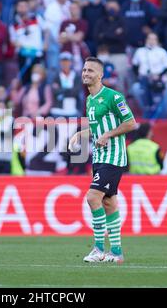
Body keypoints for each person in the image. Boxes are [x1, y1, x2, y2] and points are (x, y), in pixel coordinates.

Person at [69, 57, 137, 263]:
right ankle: (116, 253)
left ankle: (98, 249)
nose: (85, 73)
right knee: (108, 202)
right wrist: (80, 134)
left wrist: (108, 135)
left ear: (100, 75)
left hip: (113, 157)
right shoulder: (90, 99)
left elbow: (131, 123)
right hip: (99, 157)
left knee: (92, 198)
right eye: (84, 70)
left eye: (90, 71)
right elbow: (97, 126)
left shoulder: (113, 97)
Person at [131, 32, 167, 118]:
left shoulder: (162, 52)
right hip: (144, 78)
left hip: (157, 78)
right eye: (149, 38)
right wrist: (138, 75)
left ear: (157, 41)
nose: (151, 41)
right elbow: (134, 65)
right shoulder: (140, 51)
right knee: (140, 89)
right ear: (146, 40)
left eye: (154, 39)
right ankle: (147, 112)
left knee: (158, 96)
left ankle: (157, 116)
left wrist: (158, 76)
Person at [50, 51, 83, 117]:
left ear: (71, 62)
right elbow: (54, 91)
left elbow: (76, 91)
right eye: (63, 61)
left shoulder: (77, 76)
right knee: (53, 126)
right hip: (58, 109)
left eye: (67, 61)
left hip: (74, 109)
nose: (65, 63)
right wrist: (69, 90)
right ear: (60, 63)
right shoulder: (55, 76)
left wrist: (62, 90)